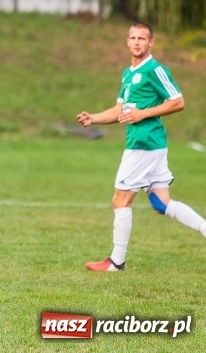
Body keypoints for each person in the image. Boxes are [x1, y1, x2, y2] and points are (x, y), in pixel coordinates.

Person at [77, 21, 206, 272]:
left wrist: (143, 113)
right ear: (127, 41)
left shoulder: (155, 70)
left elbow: (177, 102)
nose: (137, 42)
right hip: (149, 145)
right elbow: (119, 110)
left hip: (143, 145)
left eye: (142, 38)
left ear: (151, 43)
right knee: (161, 203)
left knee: (120, 200)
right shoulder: (128, 73)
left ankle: (116, 262)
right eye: (133, 38)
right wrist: (93, 118)